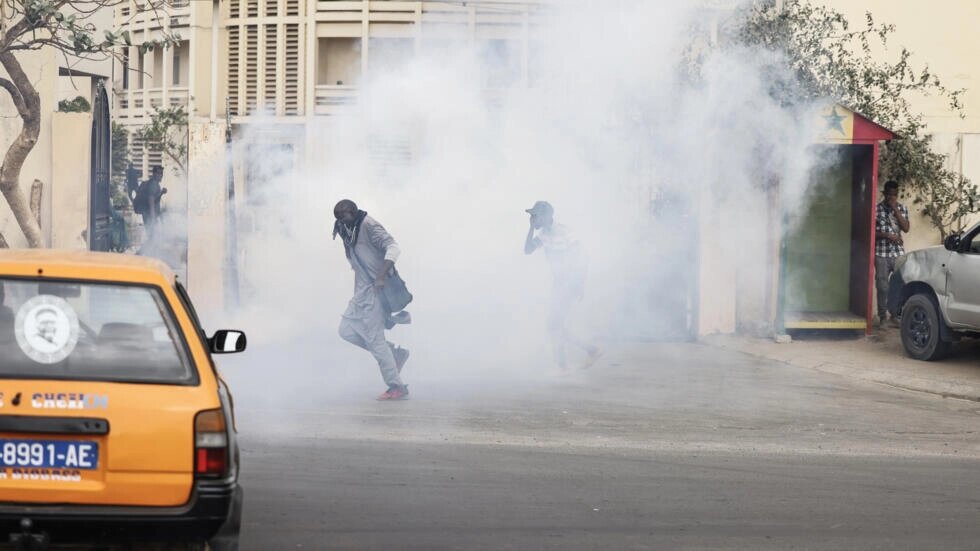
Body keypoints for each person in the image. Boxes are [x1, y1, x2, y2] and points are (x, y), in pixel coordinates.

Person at [333, 200, 411, 401]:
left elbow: (393, 248)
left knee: (375, 339)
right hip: (362, 292)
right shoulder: (345, 228)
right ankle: (394, 354)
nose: (340, 221)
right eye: (337, 218)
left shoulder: (368, 225)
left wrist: (381, 276)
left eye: (343, 216)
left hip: (377, 291)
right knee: (346, 330)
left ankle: (396, 386)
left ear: (353, 212)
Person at [524, 201, 601, 372]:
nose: (533, 219)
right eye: (532, 216)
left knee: (554, 325)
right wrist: (531, 228)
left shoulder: (564, 232)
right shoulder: (544, 235)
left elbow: (582, 257)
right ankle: (577, 358)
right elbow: (527, 250)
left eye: (536, 216)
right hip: (559, 284)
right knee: (554, 326)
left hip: (570, 282)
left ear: (547, 216)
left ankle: (569, 363)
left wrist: (580, 284)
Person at [875, 180, 910, 327]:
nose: (891, 197)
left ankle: (894, 315)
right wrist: (887, 235)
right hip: (881, 253)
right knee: (882, 287)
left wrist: (895, 209)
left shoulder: (902, 208)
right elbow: (871, 232)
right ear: (884, 194)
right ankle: (883, 317)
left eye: (894, 195)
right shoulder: (876, 210)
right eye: (889, 194)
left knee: (899, 285)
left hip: (898, 254)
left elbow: (906, 228)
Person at [133, 165, 168, 234]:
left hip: (147, 213)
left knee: (151, 234)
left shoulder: (152, 183)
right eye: (159, 173)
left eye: (161, 173)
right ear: (154, 174)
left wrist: (161, 193)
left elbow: (154, 199)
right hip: (149, 214)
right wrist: (153, 217)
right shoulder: (153, 184)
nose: (161, 175)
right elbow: (151, 200)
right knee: (152, 235)